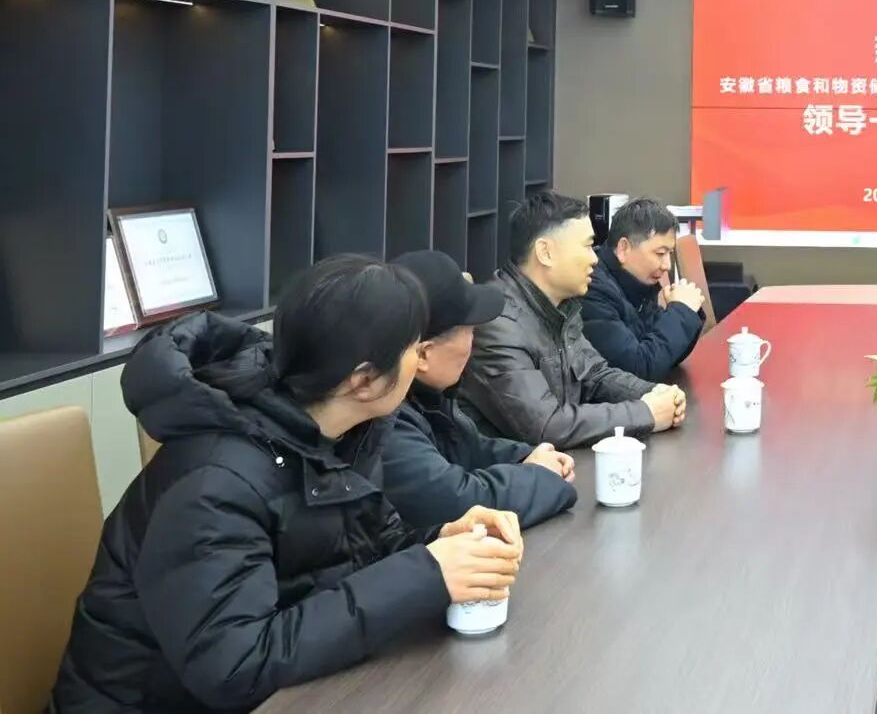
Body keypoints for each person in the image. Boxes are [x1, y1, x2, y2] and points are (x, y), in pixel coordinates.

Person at [54, 256, 525, 713]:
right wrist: (424, 574)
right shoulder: (214, 483)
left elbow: (367, 545)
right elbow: (234, 666)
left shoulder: (340, 430)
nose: (421, 359)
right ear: (363, 381)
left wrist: (441, 543)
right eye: (413, 349)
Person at [462, 189, 686, 448]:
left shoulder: (561, 306)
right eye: (588, 246)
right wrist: (646, 413)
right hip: (514, 468)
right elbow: (546, 426)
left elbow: (595, 375)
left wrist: (654, 393)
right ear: (545, 253)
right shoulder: (498, 323)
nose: (595, 259)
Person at [382, 249, 579, 529]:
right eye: (470, 331)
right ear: (423, 354)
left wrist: (526, 457)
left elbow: (470, 448)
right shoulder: (385, 421)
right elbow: (457, 502)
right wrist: (538, 476)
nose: (474, 344)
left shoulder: (429, 397)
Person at [583, 197, 707, 381]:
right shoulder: (592, 290)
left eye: (669, 254)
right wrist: (681, 312)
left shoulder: (638, 284)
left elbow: (666, 357)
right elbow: (638, 370)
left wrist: (685, 311)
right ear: (623, 248)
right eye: (660, 253)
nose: (666, 265)